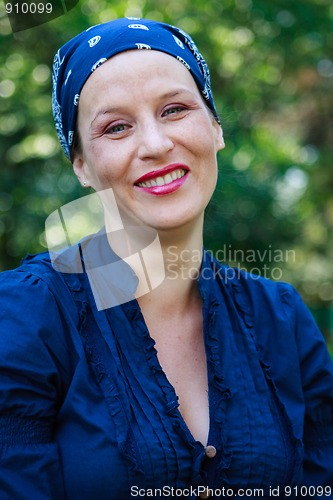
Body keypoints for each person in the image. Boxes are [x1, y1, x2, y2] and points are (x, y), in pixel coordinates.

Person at [0, 17, 333, 500]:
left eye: (175, 109)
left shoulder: (281, 320)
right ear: (81, 167)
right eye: (116, 127)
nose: (155, 145)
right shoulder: (25, 317)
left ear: (216, 128)